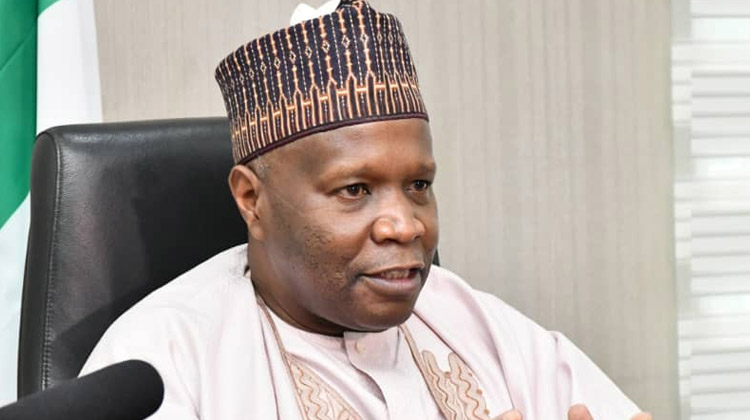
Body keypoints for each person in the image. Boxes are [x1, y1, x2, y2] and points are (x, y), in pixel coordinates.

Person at [80, 1, 653, 419]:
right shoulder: (161, 361)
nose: (405, 224)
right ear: (252, 199)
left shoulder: (469, 318)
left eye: (419, 185)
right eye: (355, 190)